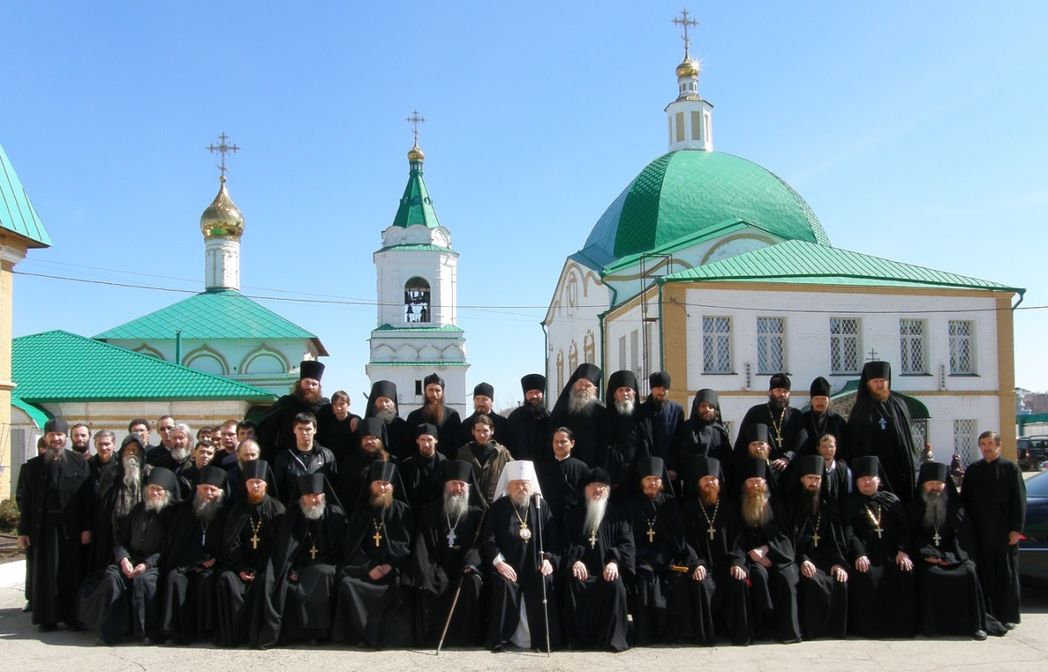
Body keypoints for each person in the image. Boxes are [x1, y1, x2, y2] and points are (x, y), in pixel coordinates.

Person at [79, 468, 177, 646]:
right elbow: (121, 539)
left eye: (159, 490)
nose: (155, 493)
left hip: (156, 564)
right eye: (152, 488)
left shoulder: (171, 514)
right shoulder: (137, 509)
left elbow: (168, 548)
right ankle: (112, 633)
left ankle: (147, 632)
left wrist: (146, 564)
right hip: (131, 560)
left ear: (166, 493)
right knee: (112, 576)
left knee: (144, 581)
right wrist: (123, 559)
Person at [251, 473, 348, 648]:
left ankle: (318, 632)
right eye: (308, 496)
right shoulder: (294, 516)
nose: (313, 500)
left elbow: (339, 549)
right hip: (298, 566)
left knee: (321, 572)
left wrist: (307, 569)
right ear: (301, 497)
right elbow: (286, 550)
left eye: (316, 495)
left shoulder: (335, 514)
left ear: (323, 495)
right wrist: (293, 568)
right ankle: (295, 633)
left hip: (327, 564)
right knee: (281, 583)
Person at [908, 461, 1002, 640]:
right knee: (931, 574)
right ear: (923, 485)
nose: (935, 487)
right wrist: (929, 554)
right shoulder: (915, 507)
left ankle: (975, 625)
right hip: (926, 557)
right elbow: (913, 536)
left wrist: (950, 557)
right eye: (930, 483)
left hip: (956, 555)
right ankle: (931, 626)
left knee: (969, 571)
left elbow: (963, 538)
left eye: (939, 483)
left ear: (945, 485)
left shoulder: (956, 507)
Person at [17, 417, 93, 631]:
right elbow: (26, 502)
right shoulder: (32, 467)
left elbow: (88, 499)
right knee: (45, 573)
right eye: (52, 435)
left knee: (71, 572)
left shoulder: (79, 462)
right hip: (44, 527)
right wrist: (23, 531)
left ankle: (72, 617)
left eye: (59, 435)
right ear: (46, 437)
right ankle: (47, 618)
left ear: (65, 437)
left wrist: (87, 528)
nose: (56, 439)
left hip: (72, 527)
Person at [332, 462, 414, 648]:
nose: (382, 488)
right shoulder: (362, 511)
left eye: (386, 484)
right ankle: (360, 635)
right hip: (365, 568)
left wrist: (389, 566)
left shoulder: (402, 511)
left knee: (399, 585)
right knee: (347, 584)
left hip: (392, 568)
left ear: (392, 486)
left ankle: (387, 637)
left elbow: (405, 544)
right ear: (371, 486)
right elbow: (352, 545)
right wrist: (368, 567)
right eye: (378, 483)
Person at [483, 460, 560, 652]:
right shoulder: (498, 507)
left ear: (531, 485)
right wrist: (499, 563)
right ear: (508, 486)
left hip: (535, 564)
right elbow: (489, 539)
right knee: (505, 585)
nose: (521, 487)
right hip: (508, 565)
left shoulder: (540, 505)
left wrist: (548, 559)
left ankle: (543, 639)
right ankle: (503, 639)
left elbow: (554, 537)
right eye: (516, 483)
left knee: (545, 580)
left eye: (524, 483)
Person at [410, 460, 487, 647]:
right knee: (427, 580)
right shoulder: (431, 511)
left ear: (468, 488)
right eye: (454, 483)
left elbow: (480, 545)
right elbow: (423, 544)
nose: (458, 488)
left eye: (462, 485)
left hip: (464, 569)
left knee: (473, 582)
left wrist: (471, 564)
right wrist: (430, 569)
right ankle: (431, 637)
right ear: (446, 485)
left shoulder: (478, 514)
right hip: (437, 565)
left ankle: (465, 637)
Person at [561, 468, 634, 652]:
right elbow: (565, 543)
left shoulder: (619, 516)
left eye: (602, 486)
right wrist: (574, 561)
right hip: (583, 570)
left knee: (616, 585)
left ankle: (613, 639)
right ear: (586, 489)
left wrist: (615, 562)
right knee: (573, 581)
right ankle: (580, 640)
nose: (597, 490)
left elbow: (627, 544)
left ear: (608, 490)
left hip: (607, 570)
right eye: (593, 485)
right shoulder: (574, 516)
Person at [842, 455, 916, 638]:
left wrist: (903, 551)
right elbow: (848, 531)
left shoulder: (891, 499)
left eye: (870, 478)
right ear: (856, 482)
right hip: (865, 553)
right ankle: (869, 628)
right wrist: (859, 553)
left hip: (891, 552)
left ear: (879, 480)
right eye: (862, 479)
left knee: (904, 571)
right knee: (865, 574)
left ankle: (899, 627)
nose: (867, 482)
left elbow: (904, 528)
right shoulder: (850, 502)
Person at [680, 457, 751, 646]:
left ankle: (739, 635)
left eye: (713, 479)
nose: (710, 483)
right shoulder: (688, 510)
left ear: (719, 483)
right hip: (703, 565)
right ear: (698, 483)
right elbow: (685, 543)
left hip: (727, 564)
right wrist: (696, 563)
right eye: (705, 479)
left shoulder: (730, 509)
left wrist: (737, 562)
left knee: (739, 580)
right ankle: (707, 637)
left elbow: (738, 540)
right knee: (701, 583)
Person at [215, 460, 286, 647]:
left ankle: (257, 635)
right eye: (251, 482)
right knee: (226, 579)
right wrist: (240, 567)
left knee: (264, 583)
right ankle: (234, 635)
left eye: (258, 482)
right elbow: (231, 542)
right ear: (245, 484)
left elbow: (279, 546)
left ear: (265, 484)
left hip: (266, 567)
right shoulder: (237, 509)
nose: (255, 486)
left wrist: (261, 568)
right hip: (240, 566)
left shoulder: (277, 509)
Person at [625, 456, 694, 644]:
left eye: (656, 479)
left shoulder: (670, 503)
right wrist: (644, 560)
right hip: (641, 560)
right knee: (643, 579)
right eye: (648, 479)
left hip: (667, 558)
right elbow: (627, 538)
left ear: (662, 481)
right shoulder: (631, 505)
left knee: (677, 580)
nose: (652, 483)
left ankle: (673, 634)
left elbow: (678, 537)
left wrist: (661, 559)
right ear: (641, 482)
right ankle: (646, 635)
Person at [961, 431, 1026, 629]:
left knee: (1006, 574)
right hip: (979, 532)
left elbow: (1019, 501)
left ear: (999, 445)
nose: (987, 447)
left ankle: (1007, 616)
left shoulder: (1011, 469)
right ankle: (986, 614)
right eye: (983, 444)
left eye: (990, 443)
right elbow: (964, 501)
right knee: (983, 572)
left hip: (1004, 531)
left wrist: (1016, 530)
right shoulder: (973, 470)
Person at [160, 465, 229, 643]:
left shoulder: (226, 514)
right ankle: (176, 631)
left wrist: (213, 559)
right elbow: (179, 542)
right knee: (174, 577)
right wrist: (196, 560)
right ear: (197, 489)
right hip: (188, 562)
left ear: (220, 493)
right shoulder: (186, 511)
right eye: (205, 488)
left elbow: (228, 542)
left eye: (213, 490)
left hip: (215, 564)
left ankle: (204, 631)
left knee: (207, 580)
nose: (208, 493)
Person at [737, 459, 801, 643]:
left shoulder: (777, 503)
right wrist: (754, 555)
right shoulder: (739, 505)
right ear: (745, 484)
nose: (755, 485)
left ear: (765, 483)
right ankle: (763, 628)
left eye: (758, 481)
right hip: (751, 557)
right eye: (751, 481)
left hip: (779, 555)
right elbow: (737, 537)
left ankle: (788, 632)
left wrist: (767, 550)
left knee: (787, 577)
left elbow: (786, 534)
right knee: (758, 576)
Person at [791, 454, 849, 639]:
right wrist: (802, 559)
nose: (813, 483)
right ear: (802, 479)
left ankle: (834, 630)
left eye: (817, 479)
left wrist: (838, 562)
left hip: (826, 558)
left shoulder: (828, 506)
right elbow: (789, 540)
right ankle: (813, 631)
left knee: (840, 581)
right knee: (811, 581)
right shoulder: (793, 506)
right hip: (801, 559)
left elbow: (837, 538)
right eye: (810, 478)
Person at [849, 361, 920, 506]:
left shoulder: (899, 405)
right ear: (868, 384)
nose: (879, 385)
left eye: (882, 381)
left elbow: (907, 439)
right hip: (872, 472)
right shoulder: (860, 408)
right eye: (875, 382)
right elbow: (854, 443)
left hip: (897, 468)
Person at [258, 360, 328, 462]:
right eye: (307, 383)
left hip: (317, 460)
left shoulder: (325, 406)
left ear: (319, 387)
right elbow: (265, 427)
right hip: (287, 459)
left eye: (314, 384)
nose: (310, 387)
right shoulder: (285, 403)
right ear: (300, 384)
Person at [735, 373, 800, 475]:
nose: (782, 394)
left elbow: (801, 441)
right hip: (762, 471)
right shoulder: (755, 412)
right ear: (770, 392)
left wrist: (788, 457)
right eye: (778, 390)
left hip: (790, 471)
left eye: (785, 391)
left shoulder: (796, 415)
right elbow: (742, 443)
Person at [603, 369, 654, 497]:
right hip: (614, 474)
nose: (625, 393)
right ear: (614, 395)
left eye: (628, 390)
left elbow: (647, 444)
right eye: (620, 390)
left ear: (634, 393)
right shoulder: (605, 416)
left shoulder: (643, 416)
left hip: (638, 472)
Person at [676, 388, 733, 500]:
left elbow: (727, 461)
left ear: (715, 409)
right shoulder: (687, 428)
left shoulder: (720, 431)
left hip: (715, 484)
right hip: (692, 483)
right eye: (703, 406)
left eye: (710, 406)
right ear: (697, 408)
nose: (707, 409)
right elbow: (680, 455)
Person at [272, 412, 337, 506]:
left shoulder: (327, 456)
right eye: (300, 428)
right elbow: (278, 489)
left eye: (308, 429)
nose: (304, 433)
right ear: (294, 429)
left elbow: (333, 486)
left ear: (315, 430)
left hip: (320, 509)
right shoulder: (283, 457)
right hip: (293, 510)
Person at [536, 427, 590, 537]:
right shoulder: (543, 468)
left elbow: (584, 497)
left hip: (573, 522)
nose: (559, 445)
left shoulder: (581, 468)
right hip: (547, 521)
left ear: (572, 443)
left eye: (563, 441)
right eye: (556, 442)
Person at [549, 363, 605, 468]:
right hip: (565, 464)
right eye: (580, 383)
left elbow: (605, 440)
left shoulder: (601, 410)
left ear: (595, 390)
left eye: (588, 385)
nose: (583, 387)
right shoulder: (563, 407)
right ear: (574, 385)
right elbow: (552, 431)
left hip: (591, 464)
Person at [456, 414, 514, 505]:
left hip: (495, 504)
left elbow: (514, 474)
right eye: (478, 430)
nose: (482, 435)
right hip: (470, 505)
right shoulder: (463, 453)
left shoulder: (502, 453)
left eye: (485, 431)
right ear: (473, 431)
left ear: (492, 431)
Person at [405, 373, 462, 460]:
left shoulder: (452, 416)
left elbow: (456, 445)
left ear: (443, 392)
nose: (434, 394)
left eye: (437, 390)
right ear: (425, 391)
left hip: (445, 464)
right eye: (431, 390)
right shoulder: (413, 416)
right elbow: (409, 445)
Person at [793, 376, 848, 460]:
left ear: (829, 400)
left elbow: (844, 446)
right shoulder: (802, 419)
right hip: (808, 463)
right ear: (811, 400)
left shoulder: (838, 421)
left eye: (823, 399)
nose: (820, 403)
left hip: (832, 464)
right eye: (817, 399)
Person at [639, 371, 684, 469]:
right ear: (652, 389)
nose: (661, 392)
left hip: (669, 467)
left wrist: (673, 468)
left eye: (664, 388)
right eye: (658, 388)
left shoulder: (677, 410)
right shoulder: (640, 411)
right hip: (647, 467)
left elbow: (678, 442)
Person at [399, 423, 447, 512]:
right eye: (422, 439)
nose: (426, 444)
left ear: (436, 440)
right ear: (417, 440)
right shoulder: (407, 465)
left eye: (430, 440)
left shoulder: (445, 464)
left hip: (437, 513)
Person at [504, 373, 551, 462]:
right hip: (520, 465)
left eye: (537, 392)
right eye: (530, 393)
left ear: (542, 394)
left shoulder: (549, 417)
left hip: (545, 466)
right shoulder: (514, 417)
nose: (534, 396)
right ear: (525, 395)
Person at [364, 379, 413, 460]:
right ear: (374, 403)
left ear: (393, 403)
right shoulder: (366, 425)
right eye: (380, 400)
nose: (383, 404)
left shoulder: (403, 426)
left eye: (387, 401)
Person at [459, 382, 510, 448]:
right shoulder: (466, 425)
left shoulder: (503, 424)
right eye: (477, 399)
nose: (481, 403)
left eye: (484, 399)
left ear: (491, 401)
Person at [316, 390, 361, 462]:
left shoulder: (354, 422)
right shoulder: (326, 422)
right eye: (335, 404)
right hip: (329, 461)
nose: (338, 408)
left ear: (348, 404)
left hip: (349, 462)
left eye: (342, 404)